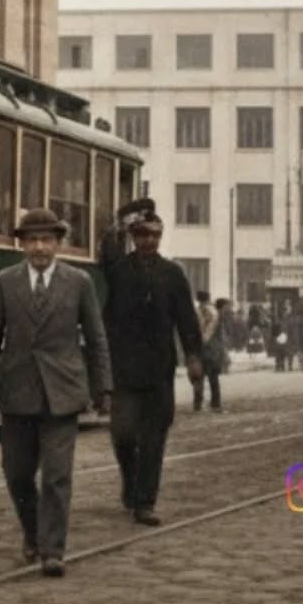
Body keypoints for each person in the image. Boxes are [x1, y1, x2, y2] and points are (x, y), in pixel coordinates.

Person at [0, 207, 111, 578]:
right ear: (21, 245)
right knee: (17, 474)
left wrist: (103, 387)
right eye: (32, 240)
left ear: (58, 243)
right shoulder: (5, 282)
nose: (39, 247)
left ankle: (53, 551)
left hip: (62, 393)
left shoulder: (79, 282)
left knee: (56, 475)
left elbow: (96, 338)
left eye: (46, 240)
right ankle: (33, 533)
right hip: (17, 390)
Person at [100, 199, 203, 527]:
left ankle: (145, 502)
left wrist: (193, 355)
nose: (149, 241)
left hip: (159, 370)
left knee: (154, 438)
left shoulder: (173, 274)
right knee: (123, 434)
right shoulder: (118, 270)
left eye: (155, 235)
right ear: (133, 236)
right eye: (143, 234)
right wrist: (119, 221)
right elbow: (106, 248)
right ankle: (130, 483)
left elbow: (186, 319)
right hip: (124, 369)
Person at [192, 291, 223, 413]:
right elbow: (211, 329)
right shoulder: (213, 311)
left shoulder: (197, 311)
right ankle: (215, 402)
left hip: (201, 346)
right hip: (210, 347)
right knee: (212, 376)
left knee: (199, 376)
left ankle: (198, 403)